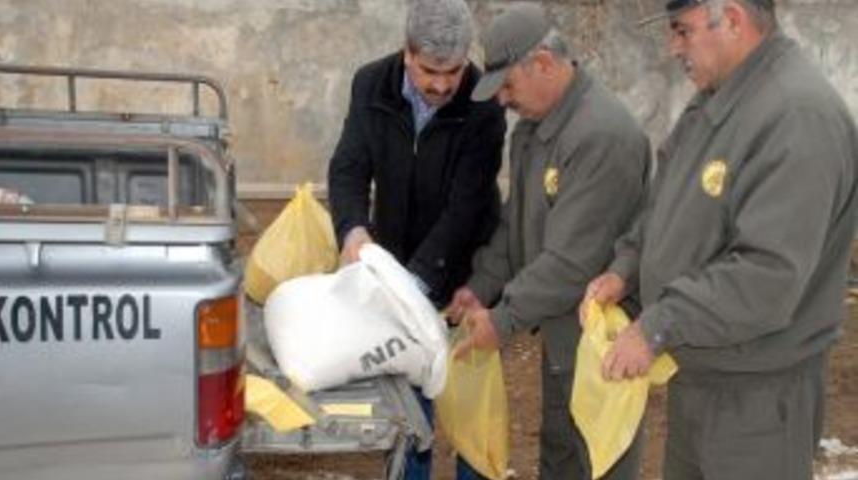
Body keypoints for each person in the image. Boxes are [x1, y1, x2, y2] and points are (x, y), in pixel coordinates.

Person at [583, 1, 858, 479]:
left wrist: (657, 326)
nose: (673, 48)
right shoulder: (719, 97)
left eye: (682, 31)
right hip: (704, 371)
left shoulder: (797, 115)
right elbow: (665, 203)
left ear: (731, 18)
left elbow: (767, 275)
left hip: (758, 399)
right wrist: (625, 269)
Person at [445, 5, 650, 479]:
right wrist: (484, 284)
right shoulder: (537, 129)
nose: (502, 101)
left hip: (601, 343)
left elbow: (572, 261)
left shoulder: (601, 135)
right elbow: (516, 221)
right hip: (560, 331)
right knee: (560, 452)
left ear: (542, 63)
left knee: (599, 460)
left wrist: (504, 317)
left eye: (508, 87)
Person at [326, 0, 505, 478]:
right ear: (407, 52)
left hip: (467, 274)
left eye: (453, 70)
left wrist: (411, 285)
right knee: (410, 405)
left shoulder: (485, 102)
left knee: (469, 407)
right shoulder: (370, 85)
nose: (442, 84)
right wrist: (352, 229)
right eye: (430, 70)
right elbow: (348, 168)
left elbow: (466, 208)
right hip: (397, 257)